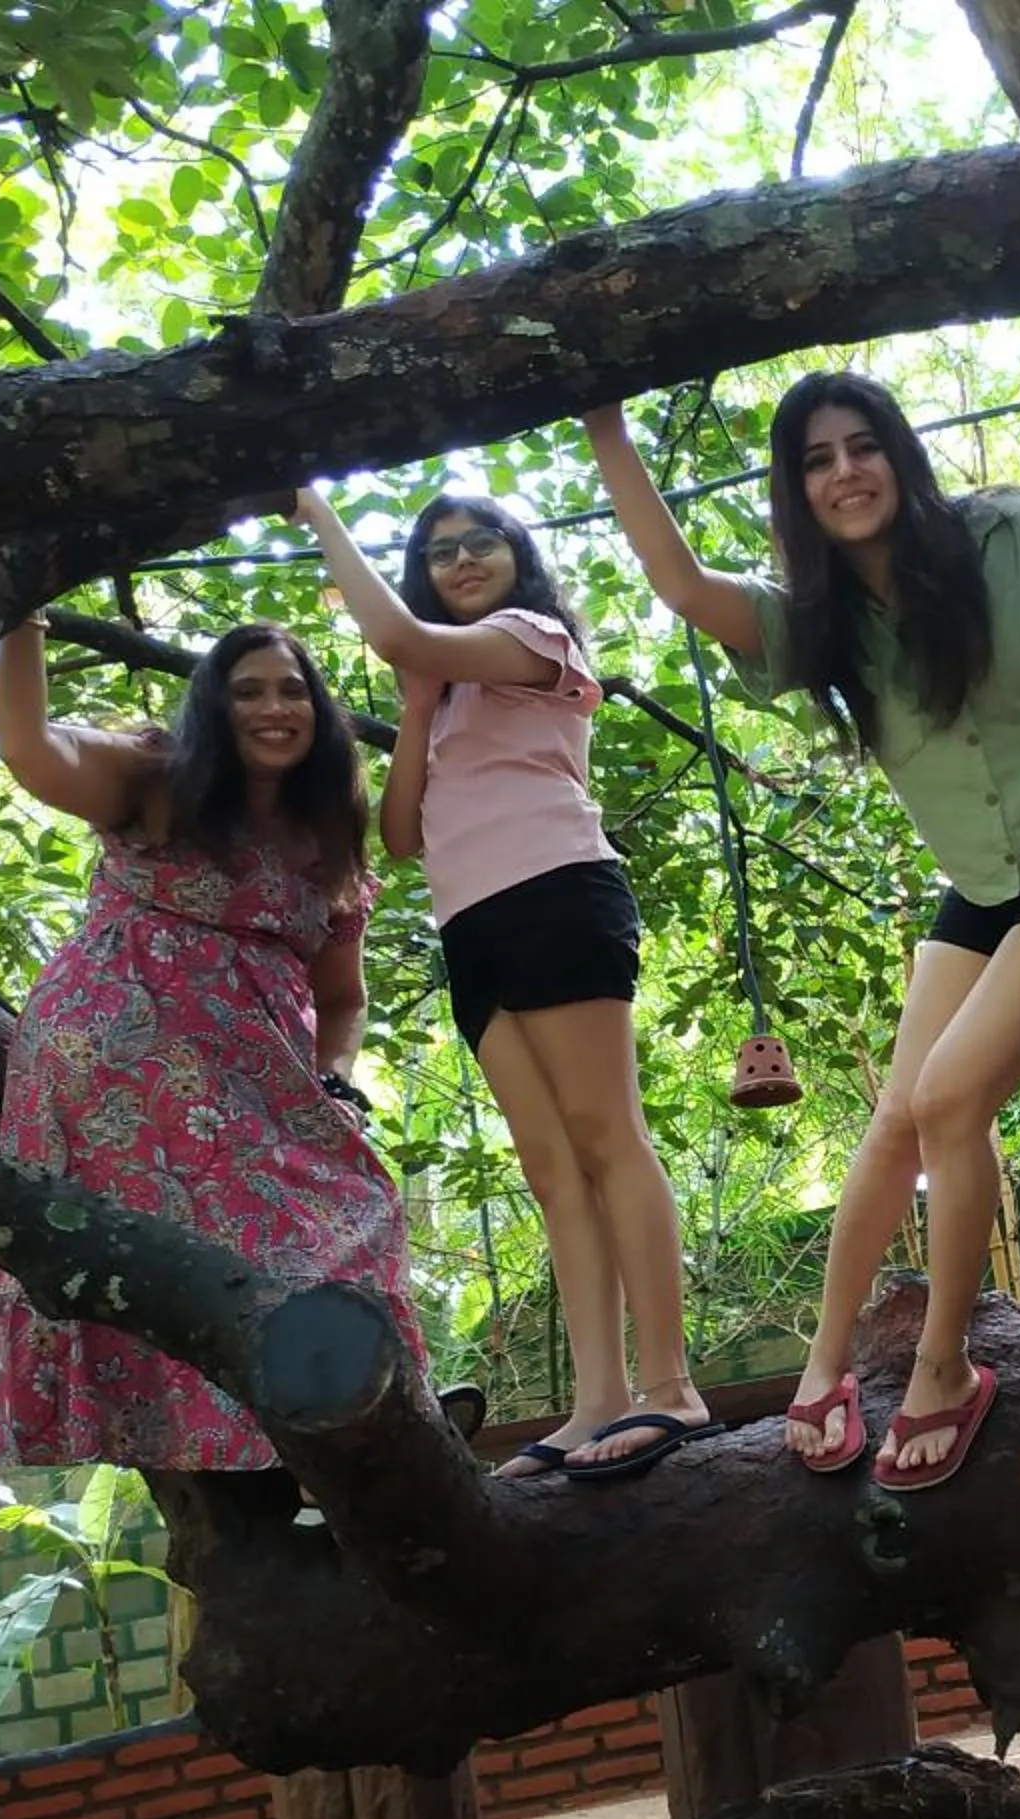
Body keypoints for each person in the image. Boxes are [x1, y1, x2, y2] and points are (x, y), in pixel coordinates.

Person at [580, 373, 1020, 1492]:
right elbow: (683, 585)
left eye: (863, 446)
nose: (845, 473)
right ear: (798, 490)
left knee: (950, 1098)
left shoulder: (1013, 531)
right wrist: (604, 421)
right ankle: (825, 1365)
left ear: (900, 452)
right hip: (980, 887)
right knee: (895, 1118)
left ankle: (946, 1367)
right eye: (816, 459)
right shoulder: (820, 616)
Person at [0, 613, 475, 1473]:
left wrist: (335, 1078)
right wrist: (21, 613)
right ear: (213, 704)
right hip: (122, 1052)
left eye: (293, 691)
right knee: (227, 1251)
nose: (273, 708)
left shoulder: (328, 841)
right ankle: (339, 1440)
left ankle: (361, 1429)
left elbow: (342, 999)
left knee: (358, 1202)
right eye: (247, 691)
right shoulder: (155, 777)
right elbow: (26, 745)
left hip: (257, 1069)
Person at [289, 484, 710, 1482]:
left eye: (484, 541)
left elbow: (398, 634)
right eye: (442, 551)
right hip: (469, 927)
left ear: (520, 556)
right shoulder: (441, 693)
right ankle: (596, 1402)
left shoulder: (533, 641)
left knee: (610, 1139)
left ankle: (669, 1389)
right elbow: (399, 837)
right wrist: (418, 704)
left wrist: (313, 507)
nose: (464, 559)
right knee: (552, 1168)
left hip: (559, 892)